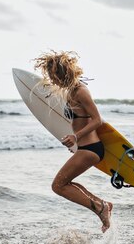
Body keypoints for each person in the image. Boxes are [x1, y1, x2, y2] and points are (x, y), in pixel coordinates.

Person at [34, 51, 113, 232]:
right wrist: (76, 144)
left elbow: (97, 120)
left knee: (58, 186)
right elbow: (78, 121)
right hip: (84, 148)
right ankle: (102, 205)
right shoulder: (70, 92)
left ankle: (101, 209)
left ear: (64, 73)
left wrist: (76, 137)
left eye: (54, 76)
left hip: (91, 148)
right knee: (66, 184)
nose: (53, 80)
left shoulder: (81, 91)